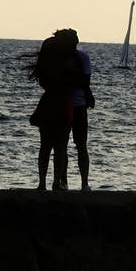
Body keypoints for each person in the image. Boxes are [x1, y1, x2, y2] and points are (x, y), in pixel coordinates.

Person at [23, 30, 78, 190]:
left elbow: (43, 82)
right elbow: (74, 82)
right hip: (62, 103)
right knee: (60, 146)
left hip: (48, 102)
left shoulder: (48, 63)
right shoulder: (68, 62)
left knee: (45, 145)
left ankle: (42, 182)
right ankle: (56, 182)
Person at [53, 28, 94, 191]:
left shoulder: (82, 58)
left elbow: (85, 82)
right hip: (62, 104)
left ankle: (84, 182)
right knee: (61, 145)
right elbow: (83, 82)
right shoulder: (57, 60)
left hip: (78, 105)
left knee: (81, 144)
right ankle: (63, 181)